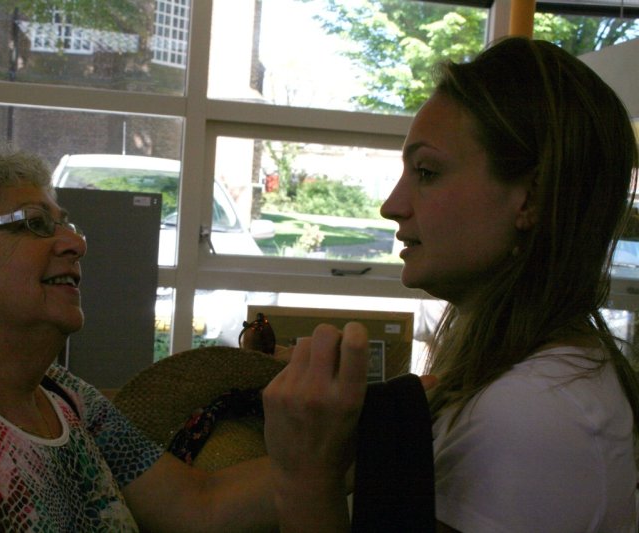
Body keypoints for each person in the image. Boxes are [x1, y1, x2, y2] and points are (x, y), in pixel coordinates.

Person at [262, 36, 639, 532]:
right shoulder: (521, 378)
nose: (392, 206)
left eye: (426, 171)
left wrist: (306, 477)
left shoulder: (532, 413)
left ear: (531, 197)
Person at [0, 143, 279, 532]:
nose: (76, 244)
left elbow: (197, 505)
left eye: (66, 225)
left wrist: (318, 442)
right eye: (33, 224)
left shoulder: (59, 394)